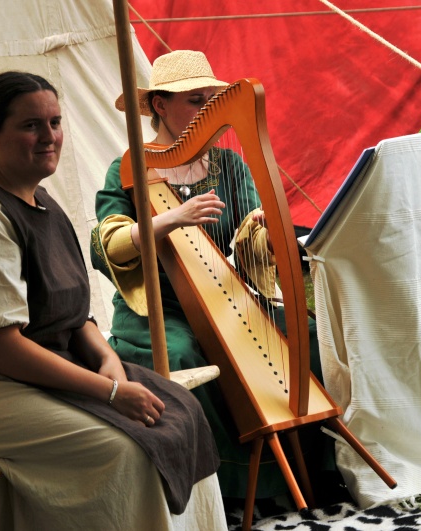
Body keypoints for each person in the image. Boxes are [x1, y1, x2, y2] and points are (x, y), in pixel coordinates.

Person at [0, 70, 227, 530]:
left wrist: (108, 361)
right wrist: (110, 391)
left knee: (180, 415)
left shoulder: (41, 202)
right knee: (120, 450)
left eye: (55, 122)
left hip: (25, 374)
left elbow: (75, 315)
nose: (49, 137)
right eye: (31, 125)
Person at [91, 50, 327, 502]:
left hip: (223, 295)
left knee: (305, 335)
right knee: (181, 353)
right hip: (155, 307)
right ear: (159, 106)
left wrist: (266, 235)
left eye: (208, 102)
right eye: (193, 101)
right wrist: (171, 219)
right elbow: (107, 246)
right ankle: (222, 491)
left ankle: (311, 470)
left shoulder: (229, 166)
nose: (204, 112)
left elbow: (247, 241)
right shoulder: (128, 169)